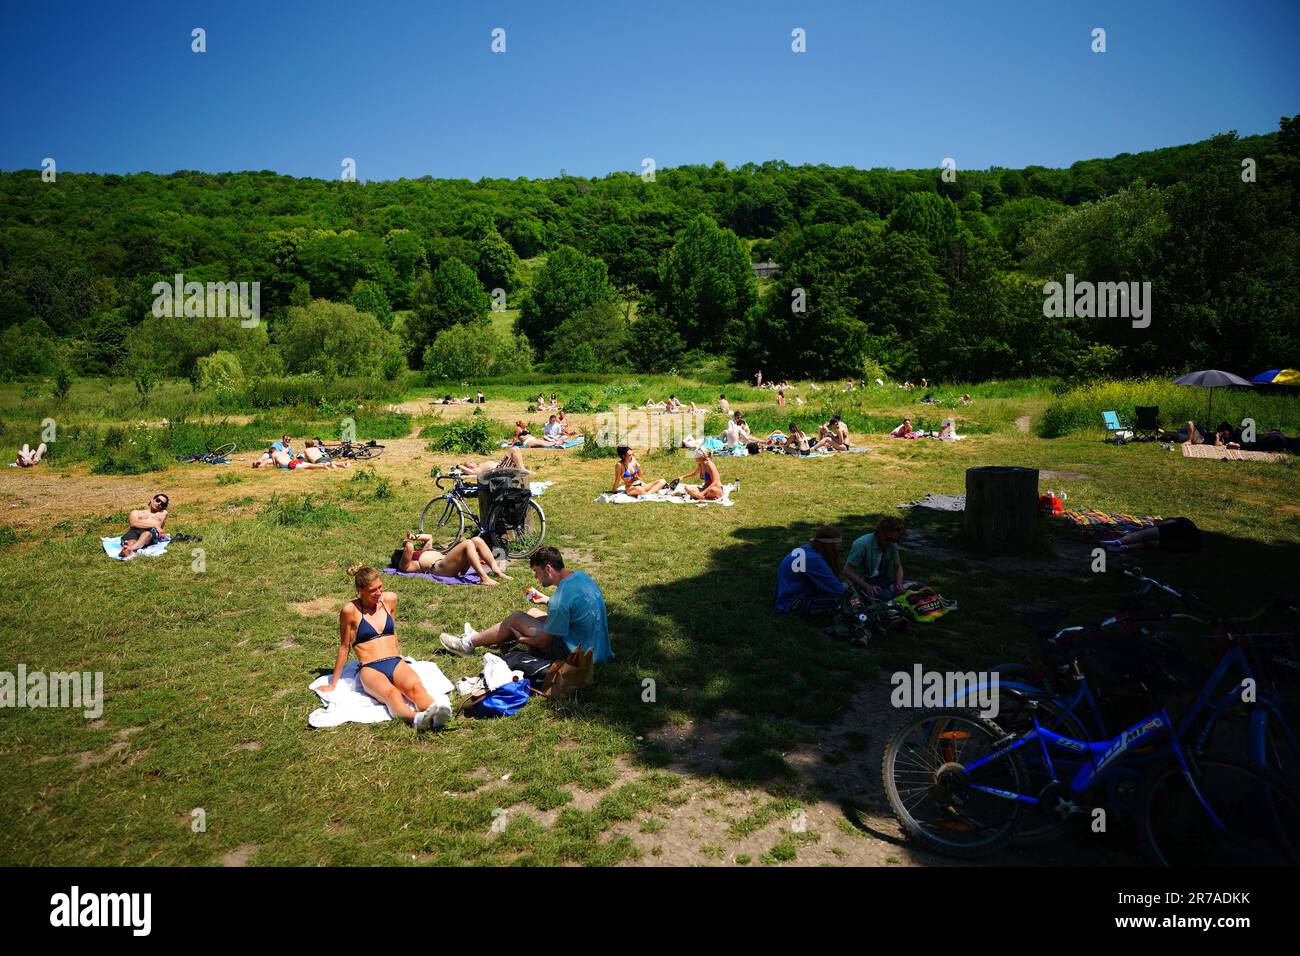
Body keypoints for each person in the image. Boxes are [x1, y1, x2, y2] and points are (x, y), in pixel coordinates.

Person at [320, 566, 450, 730]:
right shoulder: (350, 610)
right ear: (359, 591)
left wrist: (399, 654)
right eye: (372, 590)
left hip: (394, 661)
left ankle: (436, 713)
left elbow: (392, 631)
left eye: (380, 587)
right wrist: (333, 683)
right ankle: (416, 719)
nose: (378, 592)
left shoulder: (389, 599)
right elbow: (344, 647)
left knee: (416, 688)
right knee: (392, 694)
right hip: (370, 667)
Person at [439, 547, 612, 663]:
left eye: (537, 572)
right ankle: (485, 636)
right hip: (598, 648)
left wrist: (520, 638)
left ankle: (467, 644)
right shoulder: (581, 577)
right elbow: (575, 606)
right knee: (534, 611)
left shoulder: (560, 600)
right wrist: (546, 600)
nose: (536, 577)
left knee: (517, 618)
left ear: (548, 568)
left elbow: (544, 643)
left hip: (576, 655)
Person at [775, 526, 848, 614]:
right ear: (828, 546)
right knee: (846, 600)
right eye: (836, 546)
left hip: (787, 595)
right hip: (792, 603)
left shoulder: (806, 549)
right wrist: (845, 587)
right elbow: (837, 589)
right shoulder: (812, 559)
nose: (839, 550)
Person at [392, 532, 510, 584]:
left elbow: (429, 538)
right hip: (440, 569)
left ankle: (497, 571)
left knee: (476, 540)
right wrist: (406, 542)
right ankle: (483, 578)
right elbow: (409, 547)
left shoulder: (423, 551)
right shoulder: (407, 565)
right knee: (468, 543)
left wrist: (414, 536)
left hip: (452, 565)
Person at [843, 517, 907, 599]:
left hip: (881, 579)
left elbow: (898, 567)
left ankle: (893, 593)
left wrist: (898, 584)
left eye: (895, 540)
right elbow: (847, 571)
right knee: (886, 596)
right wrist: (867, 587)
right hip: (862, 581)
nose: (891, 543)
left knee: (918, 585)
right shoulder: (862, 544)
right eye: (888, 539)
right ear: (880, 532)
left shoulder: (892, 544)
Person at [1102, 517, 1203, 553]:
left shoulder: (1178, 521)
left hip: (1181, 531)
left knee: (1141, 535)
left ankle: (1117, 542)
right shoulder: (1190, 526)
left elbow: (1144, 533)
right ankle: (1124, 547)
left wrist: (1150, 528)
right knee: (1146, 543)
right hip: (1190, 545)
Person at [119, 493, 170, 558]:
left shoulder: (162, 513)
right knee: (131, 542)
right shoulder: (136, 512)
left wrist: (144, 523)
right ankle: (129, 549)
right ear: (152, 500)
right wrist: (155, 525)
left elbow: (159, 527)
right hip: (135, 531)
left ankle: (129, 549)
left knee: (147, 534)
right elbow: (134, 523)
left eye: (162, 504)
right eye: (158, 500)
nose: (159, 504)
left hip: (150, 532)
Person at [460, 447, 527, 476]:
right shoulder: (477, 469)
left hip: (501, 466)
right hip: (499, 469)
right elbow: (472, 473)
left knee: (516, 449)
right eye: (470, 463)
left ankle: (522, 469)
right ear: (470, 467)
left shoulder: (479, 466)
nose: (472, 462)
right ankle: (522, 470)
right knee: (514, 449)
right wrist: (460, 466)